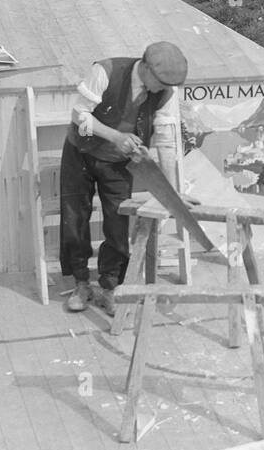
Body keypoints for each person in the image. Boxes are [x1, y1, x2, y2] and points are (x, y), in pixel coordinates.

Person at [61, 42, 188, 315]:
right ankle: (81, 283)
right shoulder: (105, 71)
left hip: (118, 162)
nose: (161, 89)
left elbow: (165, 141)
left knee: (118, 226)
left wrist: (170, 190)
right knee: (75, 219)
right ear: (144, 67)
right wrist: (116, 137)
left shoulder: (167, 90)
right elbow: (79, 115)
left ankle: (110, 287)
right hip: (80, 153)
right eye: (159, 82)